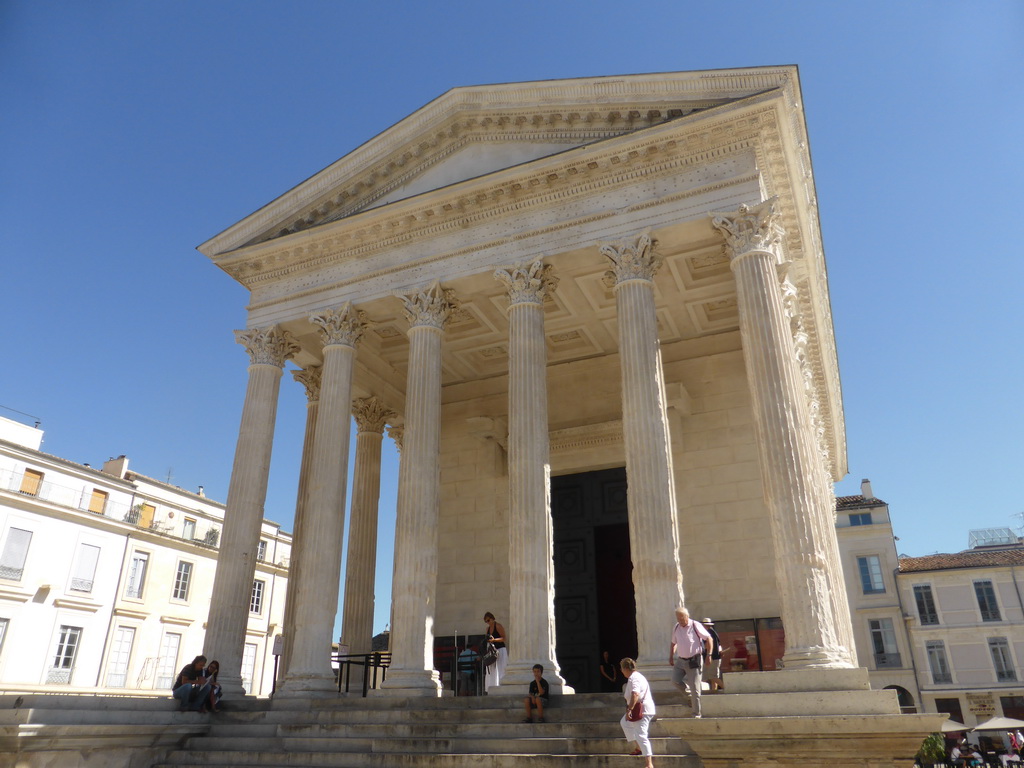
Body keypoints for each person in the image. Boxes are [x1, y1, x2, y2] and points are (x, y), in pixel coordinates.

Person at [669, 607, 712, 718]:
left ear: (687, 616)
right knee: (675, 680)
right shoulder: (676, 627)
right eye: (678, 618)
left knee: (695, 688)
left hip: (694, 660)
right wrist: (671, 656)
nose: (680, 621)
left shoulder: (695, 625)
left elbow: (709, 638)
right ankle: (689, 696)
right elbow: (673, 643)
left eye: (682, 618)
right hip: (681, 660)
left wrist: (709, 655)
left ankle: (696, 713)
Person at [619, 657, 655, 768]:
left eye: (621, 669)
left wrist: (630, 709)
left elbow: (635, 694)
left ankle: (649, 763)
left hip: (642, 710)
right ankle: (639, 747)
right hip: (642, 708)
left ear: (626, 668)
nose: (621, 671)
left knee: (641, 734)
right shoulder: (636, 677)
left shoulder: (634, 678)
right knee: (624, 723)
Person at [483, 612, 507, 692]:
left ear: (492, 619)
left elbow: (504, 638)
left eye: (488, 620)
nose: (488, 622)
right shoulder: (487, 629)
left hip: (500, 649)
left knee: (501, 667)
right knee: (491, 669)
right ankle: (491, 687)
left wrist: (494, 640)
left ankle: (502, 686)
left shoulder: (498, 626)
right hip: (492, 651)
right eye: (486, 621)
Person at [700, 618, 723, 692]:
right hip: (714, 657)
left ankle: (727, 688)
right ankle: (714, 692)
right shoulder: (712, 632)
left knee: (712, 676)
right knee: (713, 677)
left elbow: (708, 646)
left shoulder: (709, 633)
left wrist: (708, 655)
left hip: (712, 657)